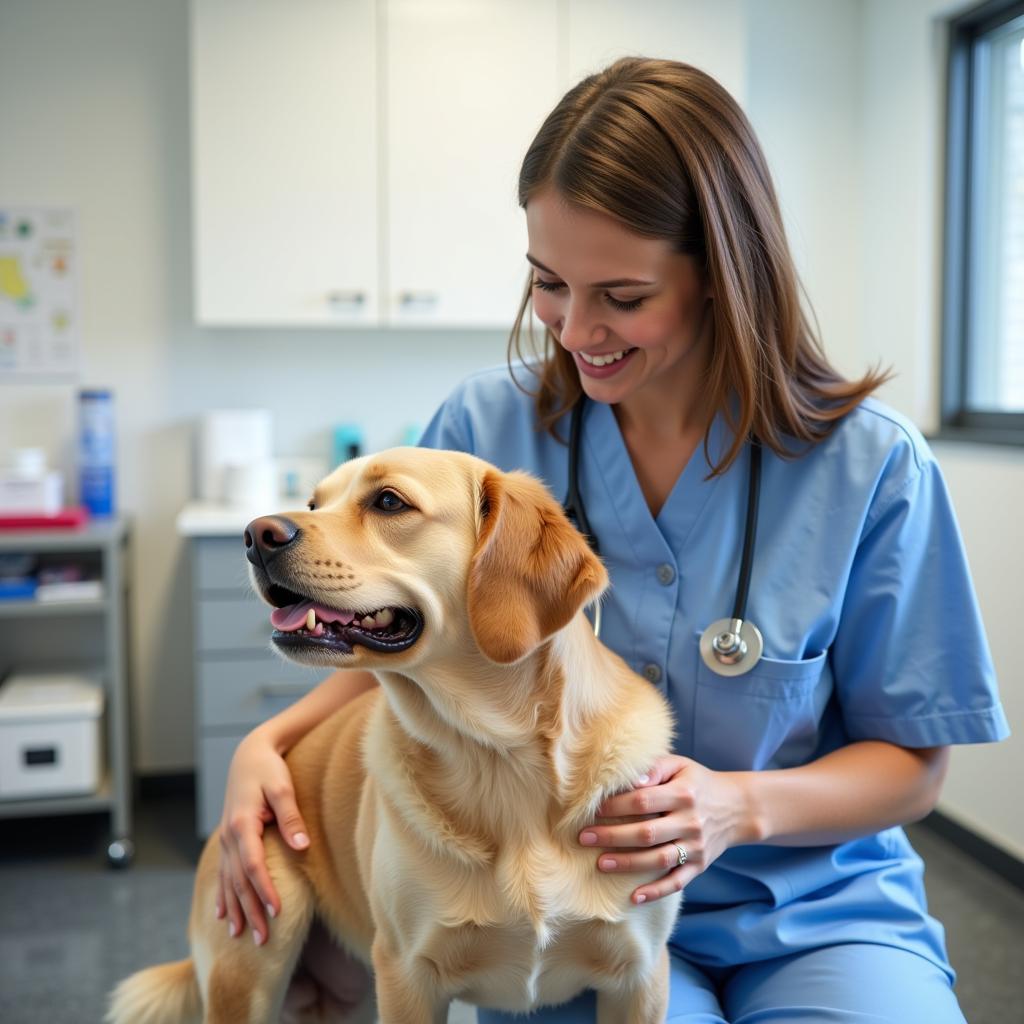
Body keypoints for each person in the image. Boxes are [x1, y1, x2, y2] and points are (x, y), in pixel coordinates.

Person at [213, 57, 1008, 1022]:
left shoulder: (870, 468)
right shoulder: (482, 432)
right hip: (547, 903)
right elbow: (415, 628)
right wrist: (269, 741)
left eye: (622, 298)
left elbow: (914, 762)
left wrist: (737, 808)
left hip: (810, 907)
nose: (577, 330)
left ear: (722, 275)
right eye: (549, 284)